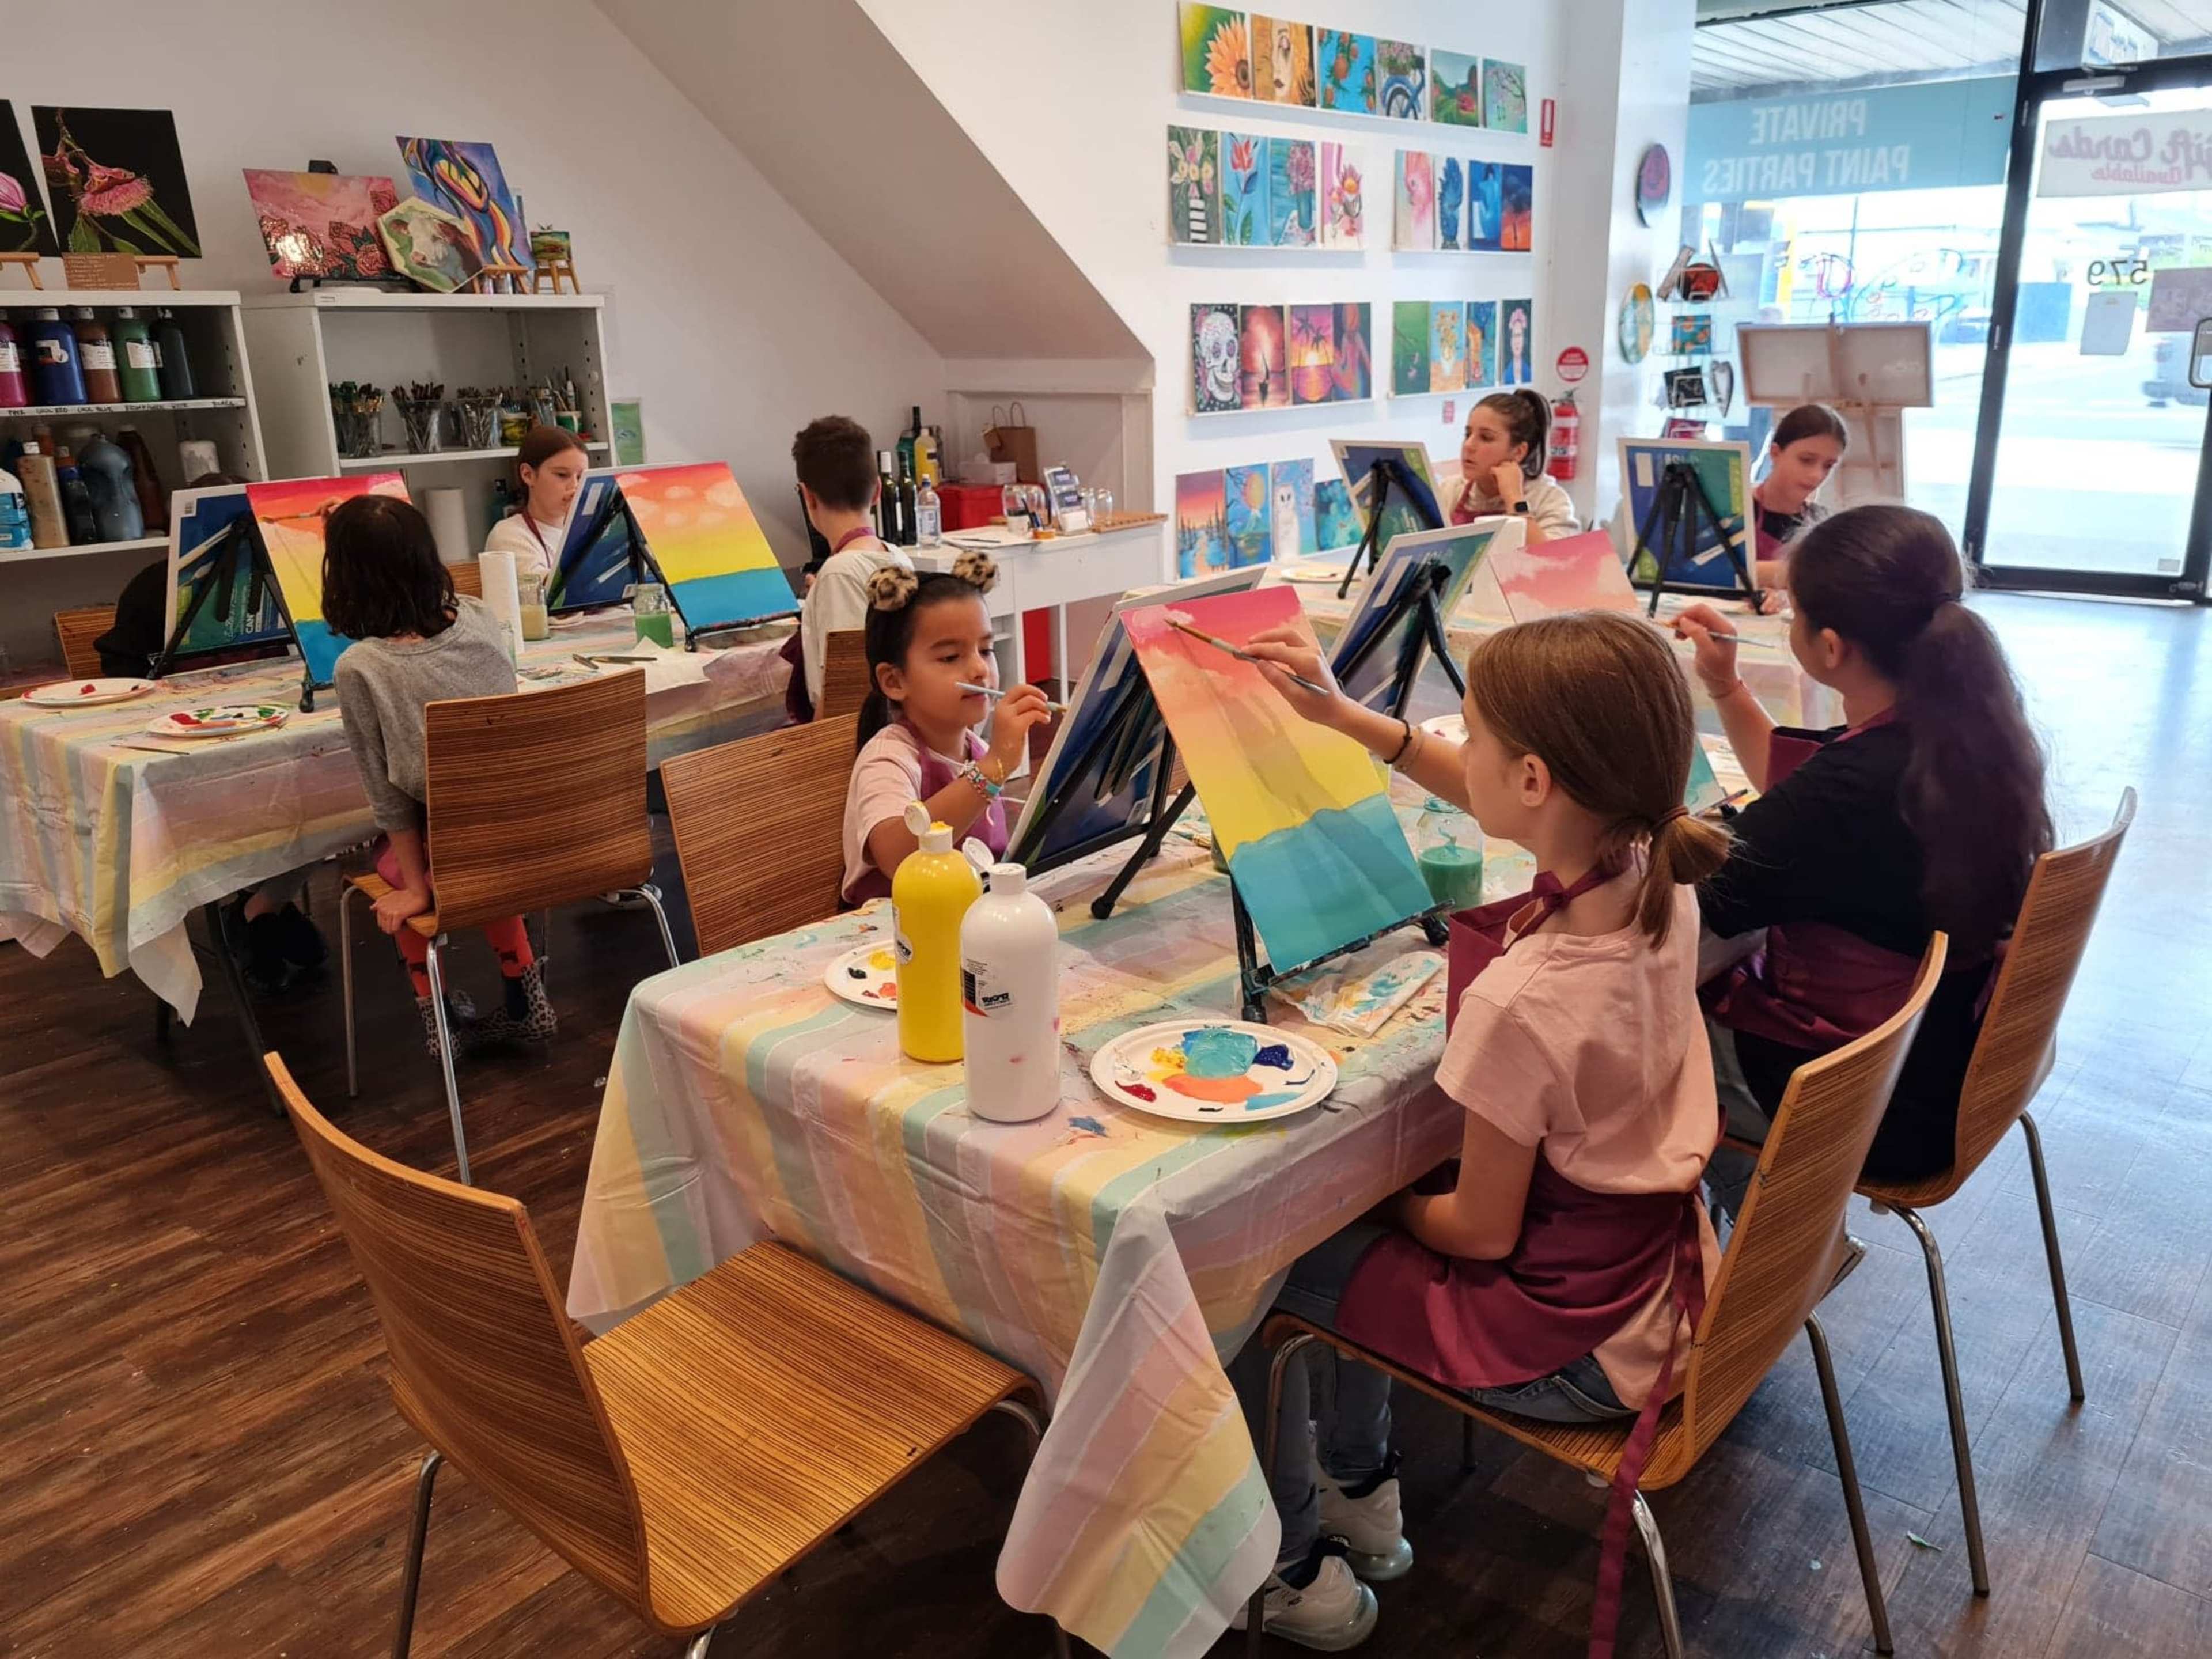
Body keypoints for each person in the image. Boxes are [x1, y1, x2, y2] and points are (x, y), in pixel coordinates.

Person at [1224, 610, 1729, 1650]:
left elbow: (1479, 1234)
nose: (1465, 748)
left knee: (1247, 1264)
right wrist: (1349, 719)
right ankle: (1363, 1491)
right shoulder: (1657, 876)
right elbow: (1501, 794)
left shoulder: (1526, 999)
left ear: (1535, 780)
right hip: (1664, 1287)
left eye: (1476, 735)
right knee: (1349, 1215)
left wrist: (1382, 1202)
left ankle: (1287, 1564)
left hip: (1577, 1345)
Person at [1677, 505, 2051, 1201]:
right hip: (1947, 1066)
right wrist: (1726, 685)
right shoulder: (1963, 731)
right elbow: (1802, 801)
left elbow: (1694, 897)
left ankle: (1773, 1241)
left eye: (1792, 614)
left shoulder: (1853, 789)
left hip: (1867, 1106)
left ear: (1829, 648)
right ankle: (1793, 1236)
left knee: (1644, 1026)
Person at [326, 494, 551, 1056]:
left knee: (397, 869)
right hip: (527, 832)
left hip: (455, 848)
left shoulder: (361, 668)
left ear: (345, 577)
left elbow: (389, 798)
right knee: (475, 844)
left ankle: (440, 1021)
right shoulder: (478, 616)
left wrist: (416, 888)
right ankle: (526, 999)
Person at [93, 470, 328, 993]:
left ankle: (263, 904)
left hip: (271, 730)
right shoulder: (155, 588)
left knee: (331, 788)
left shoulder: (282, 576)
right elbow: (120, 673)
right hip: (185, 748)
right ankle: (250, 904)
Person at [839, 555, 1050, 904]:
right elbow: (896, 856)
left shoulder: (975, 749)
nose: (980, 669)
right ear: (894, 681)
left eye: (986, 649)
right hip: (896, 927)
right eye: (951, 657)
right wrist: (992, 769)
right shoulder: (888, 757)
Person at [788, 415, 912, 721]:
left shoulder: (839, 573)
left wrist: (817, 746)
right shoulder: (898, 557)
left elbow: (843, 692)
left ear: (807, 497)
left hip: (858, 735)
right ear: (878, 490)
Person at [1449, 390, 1576, 544]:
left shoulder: (1548, 499)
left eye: (1486, 438)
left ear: (1518, 452)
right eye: (1468, 434)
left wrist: (1514, 498)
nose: (1468, 445)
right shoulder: (1450, 490)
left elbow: (1551, 557)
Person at [1751, 403, 1849, 588]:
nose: (1817, 475)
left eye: (1828, 466)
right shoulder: (1736, 513)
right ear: (1775, 453)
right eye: (1806, 460)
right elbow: (1713, 574)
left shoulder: (1825, 525)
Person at [483, 425, 589, 585]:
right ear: (528, 475)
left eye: (581, 477)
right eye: (562, 475)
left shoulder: (592, 528)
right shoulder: (508, 535)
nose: (575, 486)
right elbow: (552, 594)